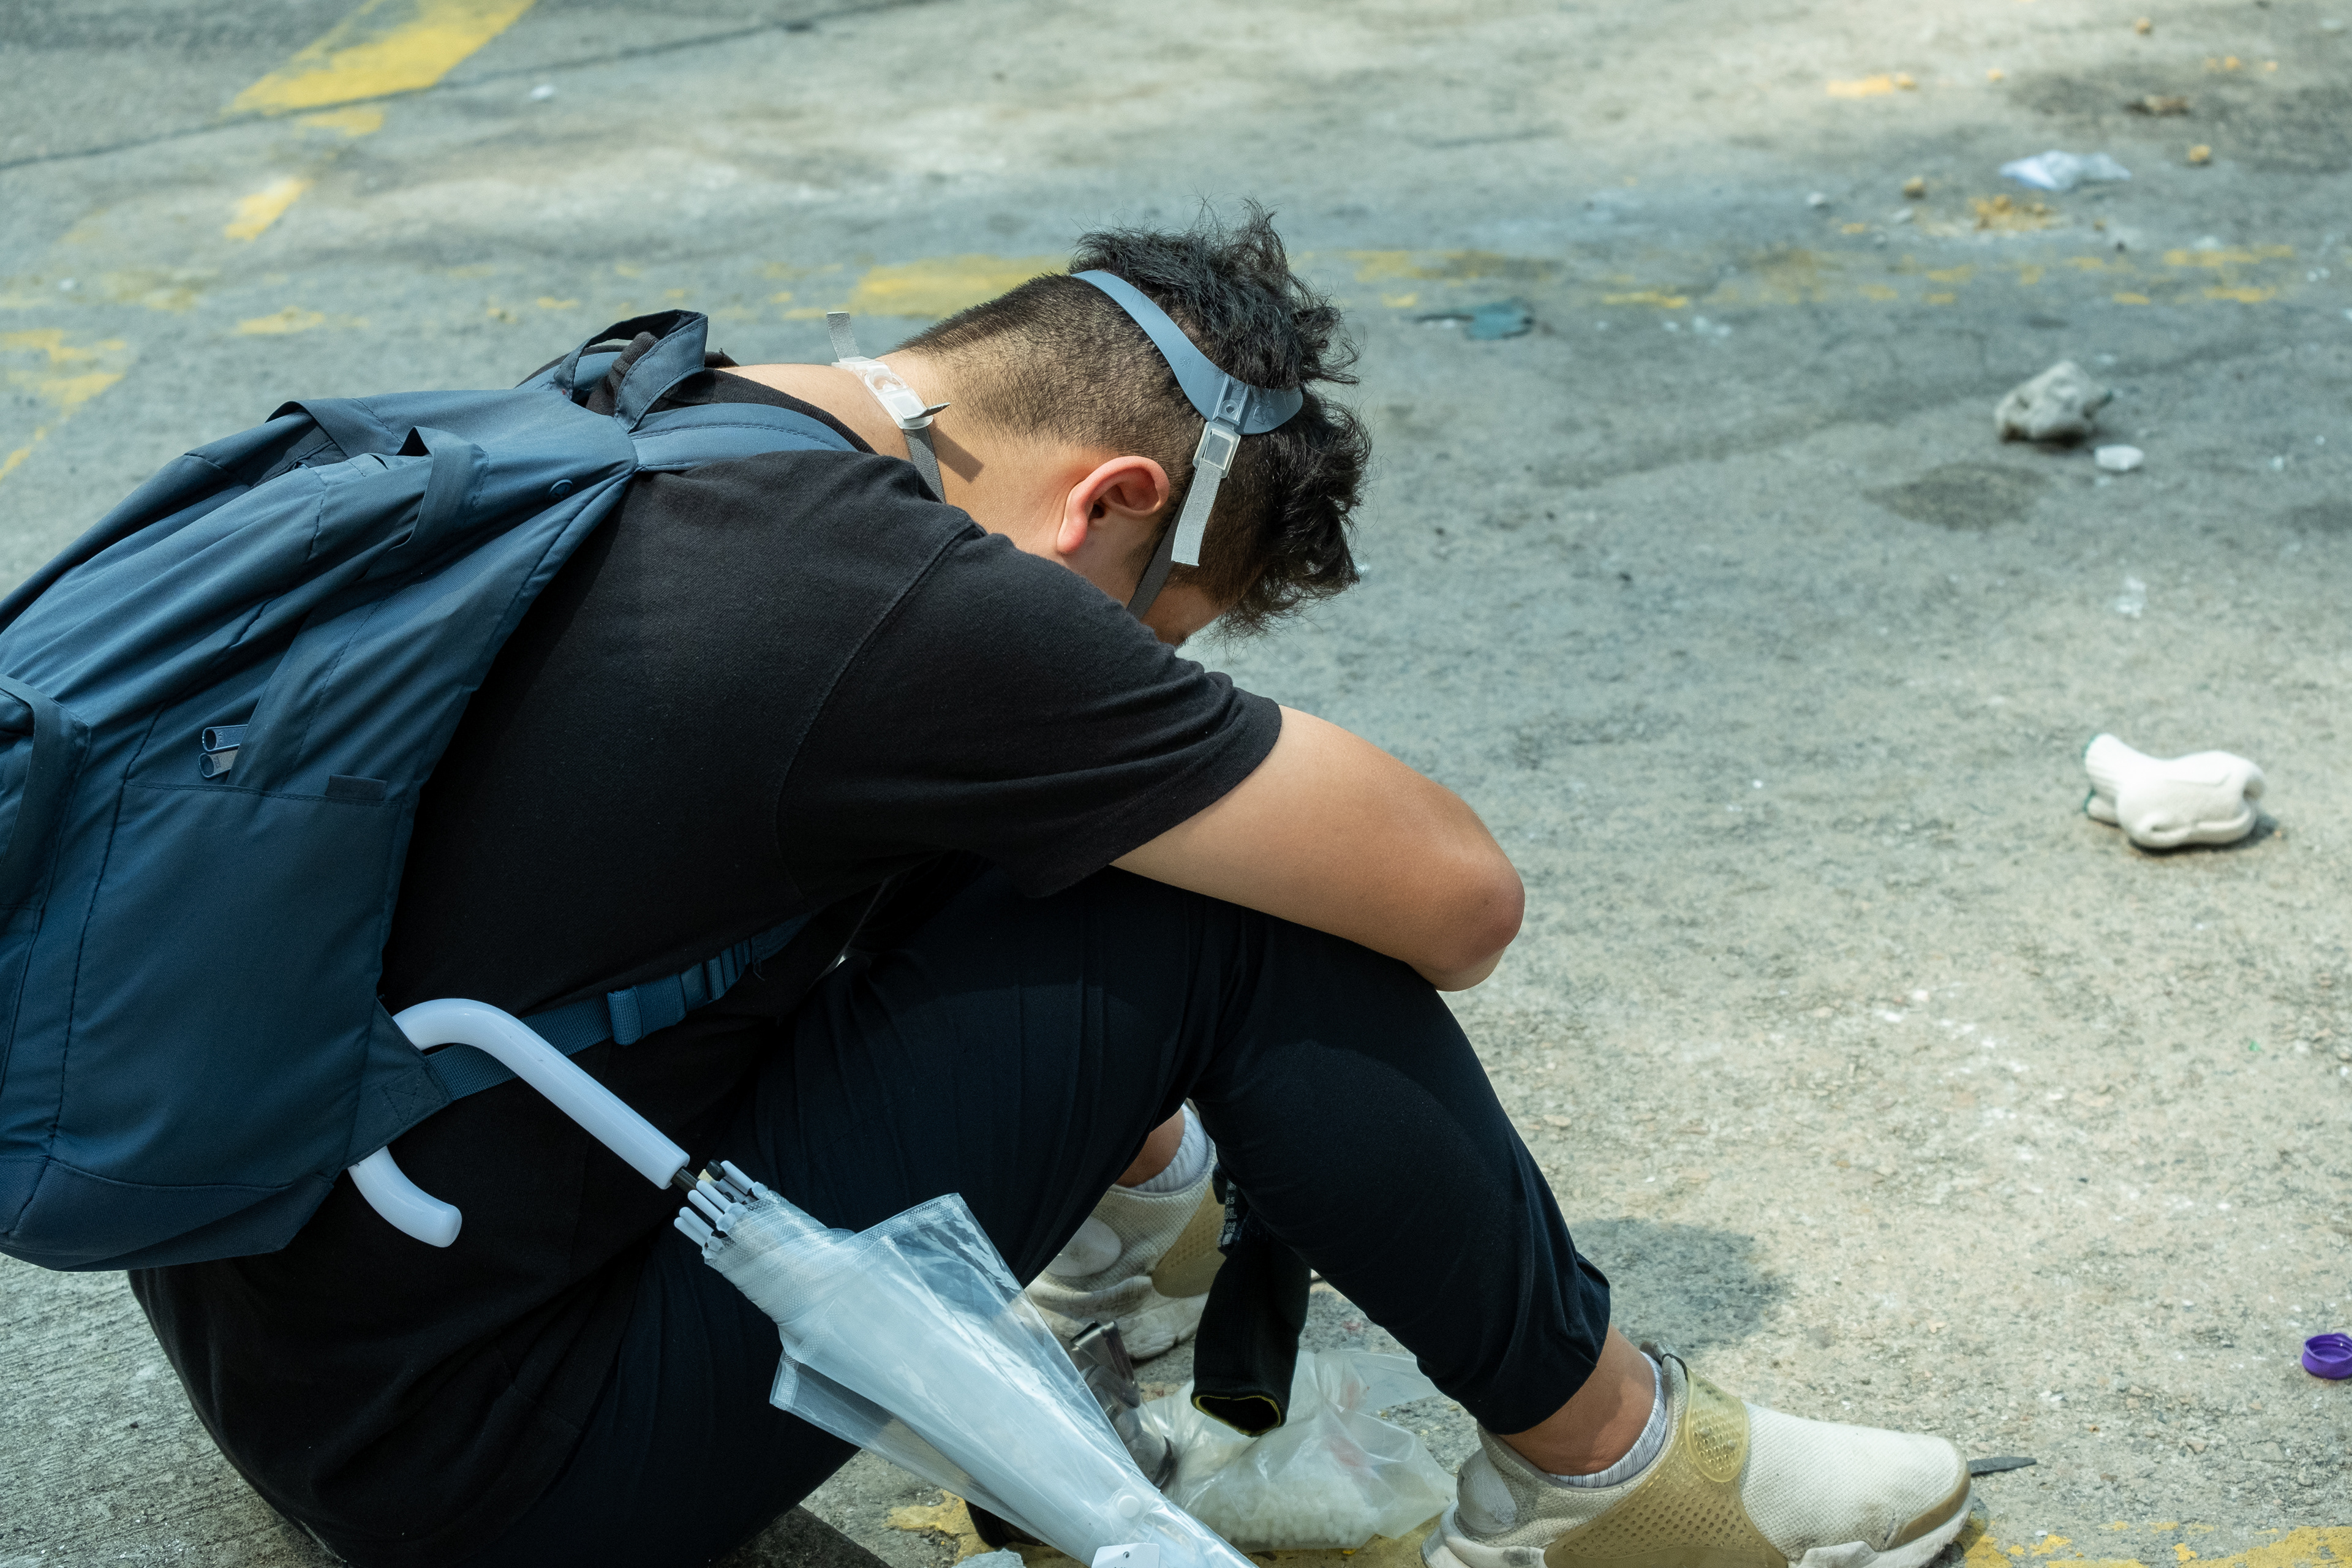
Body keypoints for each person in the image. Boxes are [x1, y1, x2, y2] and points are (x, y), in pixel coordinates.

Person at [130, 210, 1969, 1568]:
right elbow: (1455, 898)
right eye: (1167, 620)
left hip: (315, 1351)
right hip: (500, 1475)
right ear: (1103, 500)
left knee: (1040, 823)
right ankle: (1623, 1479)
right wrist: (1159, 719)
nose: (1145, 660)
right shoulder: (891, 603)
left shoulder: (646, 408)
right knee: (1220, 904)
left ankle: (1130, 1257)